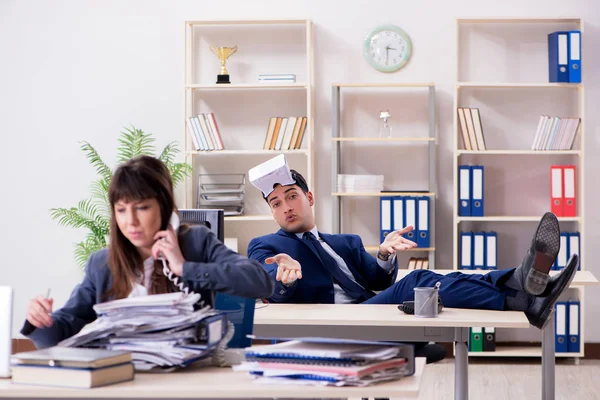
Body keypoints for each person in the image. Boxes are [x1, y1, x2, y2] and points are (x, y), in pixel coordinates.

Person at [247, 169, 578, 333]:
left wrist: (385, 254)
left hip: (366, 312)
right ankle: (522, 291)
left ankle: (525, 290)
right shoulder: (267, 246)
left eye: (292, 196)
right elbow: (267, 279)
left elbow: (376, 280)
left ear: (310, 198)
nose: (286, 206)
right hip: (326, 324)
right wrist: (283, 276)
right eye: (276, 203)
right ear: (272, 213)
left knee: (439, 279)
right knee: (418, 279)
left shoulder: (344, 242)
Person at [22, 155, 274, 349]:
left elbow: (261, 283)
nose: (130, 221)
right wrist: (39, 320)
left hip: (186, 379)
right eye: (121, 210)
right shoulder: (102, 264)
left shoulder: (196, 243)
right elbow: (61, 333)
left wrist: (184, 268)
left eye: (141, 207)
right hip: (121, 379)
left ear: (163, 207)